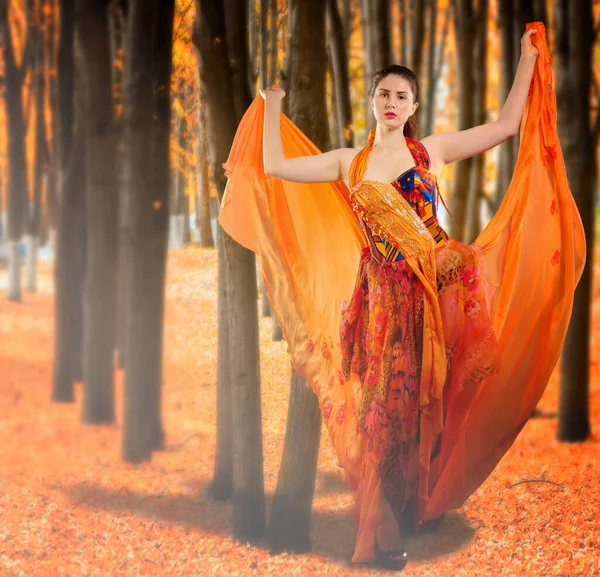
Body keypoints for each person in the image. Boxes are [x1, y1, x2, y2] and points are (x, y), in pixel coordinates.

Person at [219, 22, 585, 570]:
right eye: (384, 93)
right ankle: (382, 536)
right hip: (382, 307)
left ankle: (408, 517)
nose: (392, 102)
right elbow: (274, 166)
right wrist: (271, 105)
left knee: (423, 413)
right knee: (382, 417)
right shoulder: (350, 162)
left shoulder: (432, 152)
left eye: (402, 95)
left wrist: (530, 57)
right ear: (372, 100)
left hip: (435, 300)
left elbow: (508, 126)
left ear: (413, 105)